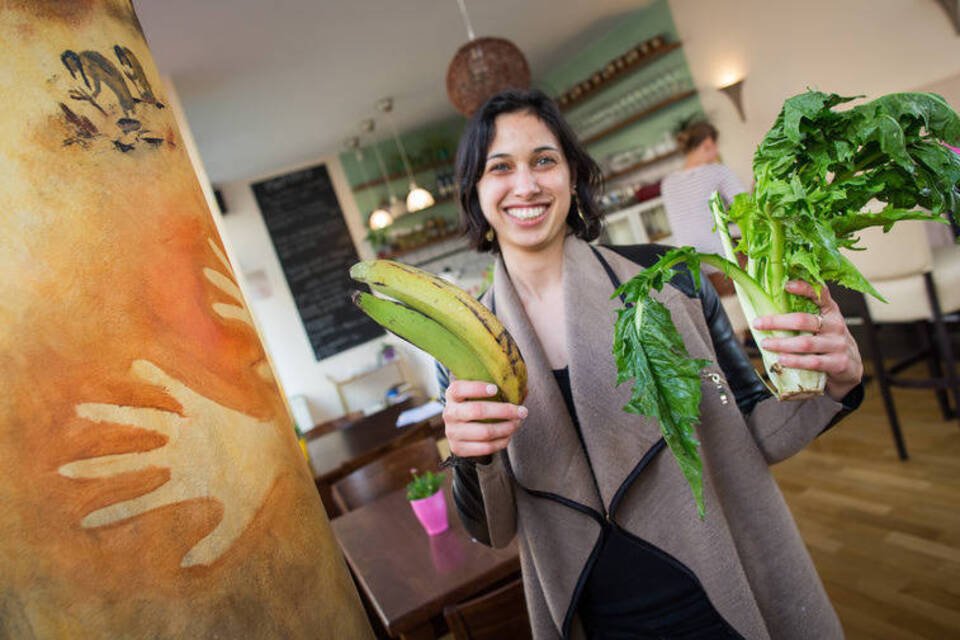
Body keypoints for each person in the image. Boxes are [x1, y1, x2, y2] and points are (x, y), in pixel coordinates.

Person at [438, 89, 864, 640]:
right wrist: (471, 455)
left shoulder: (670, 279)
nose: (526, 184)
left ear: (573, 175)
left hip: (721, 598)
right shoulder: (463, 347)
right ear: (476, 192)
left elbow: (752, 429)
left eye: (544, 160)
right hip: (598, 622)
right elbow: (491, 529)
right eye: (500, 168)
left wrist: (835, 381)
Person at [661, 120, 747, 295]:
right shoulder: (717, 171)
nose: (716, 151)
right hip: (722, 264)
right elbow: (746, 207)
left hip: (691, 269)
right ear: (708, 143)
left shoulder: (667, 183)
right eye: (715, 146)